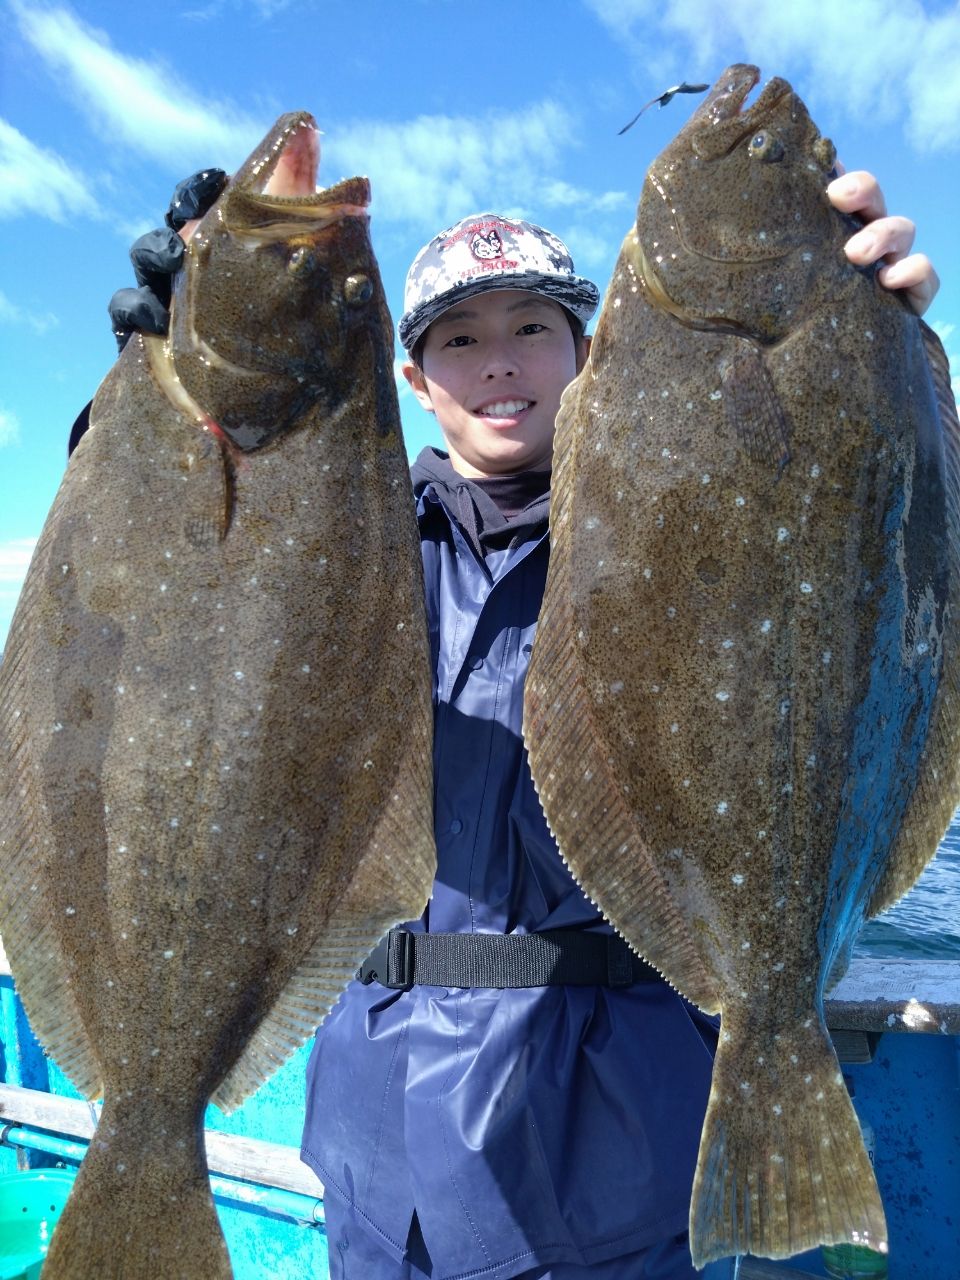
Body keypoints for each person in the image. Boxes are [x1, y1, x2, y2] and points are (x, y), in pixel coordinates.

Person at [94, 170, 939, 1280]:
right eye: (461, 338)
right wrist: (147, 408)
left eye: (533, 327)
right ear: (412, 379)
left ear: (591, 349)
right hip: (371, 1153)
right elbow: (160, 610)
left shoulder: (672, 526)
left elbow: (869, 584)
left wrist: (880, 370)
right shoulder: (341, 537)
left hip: (603, 1159)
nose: (500, 360)